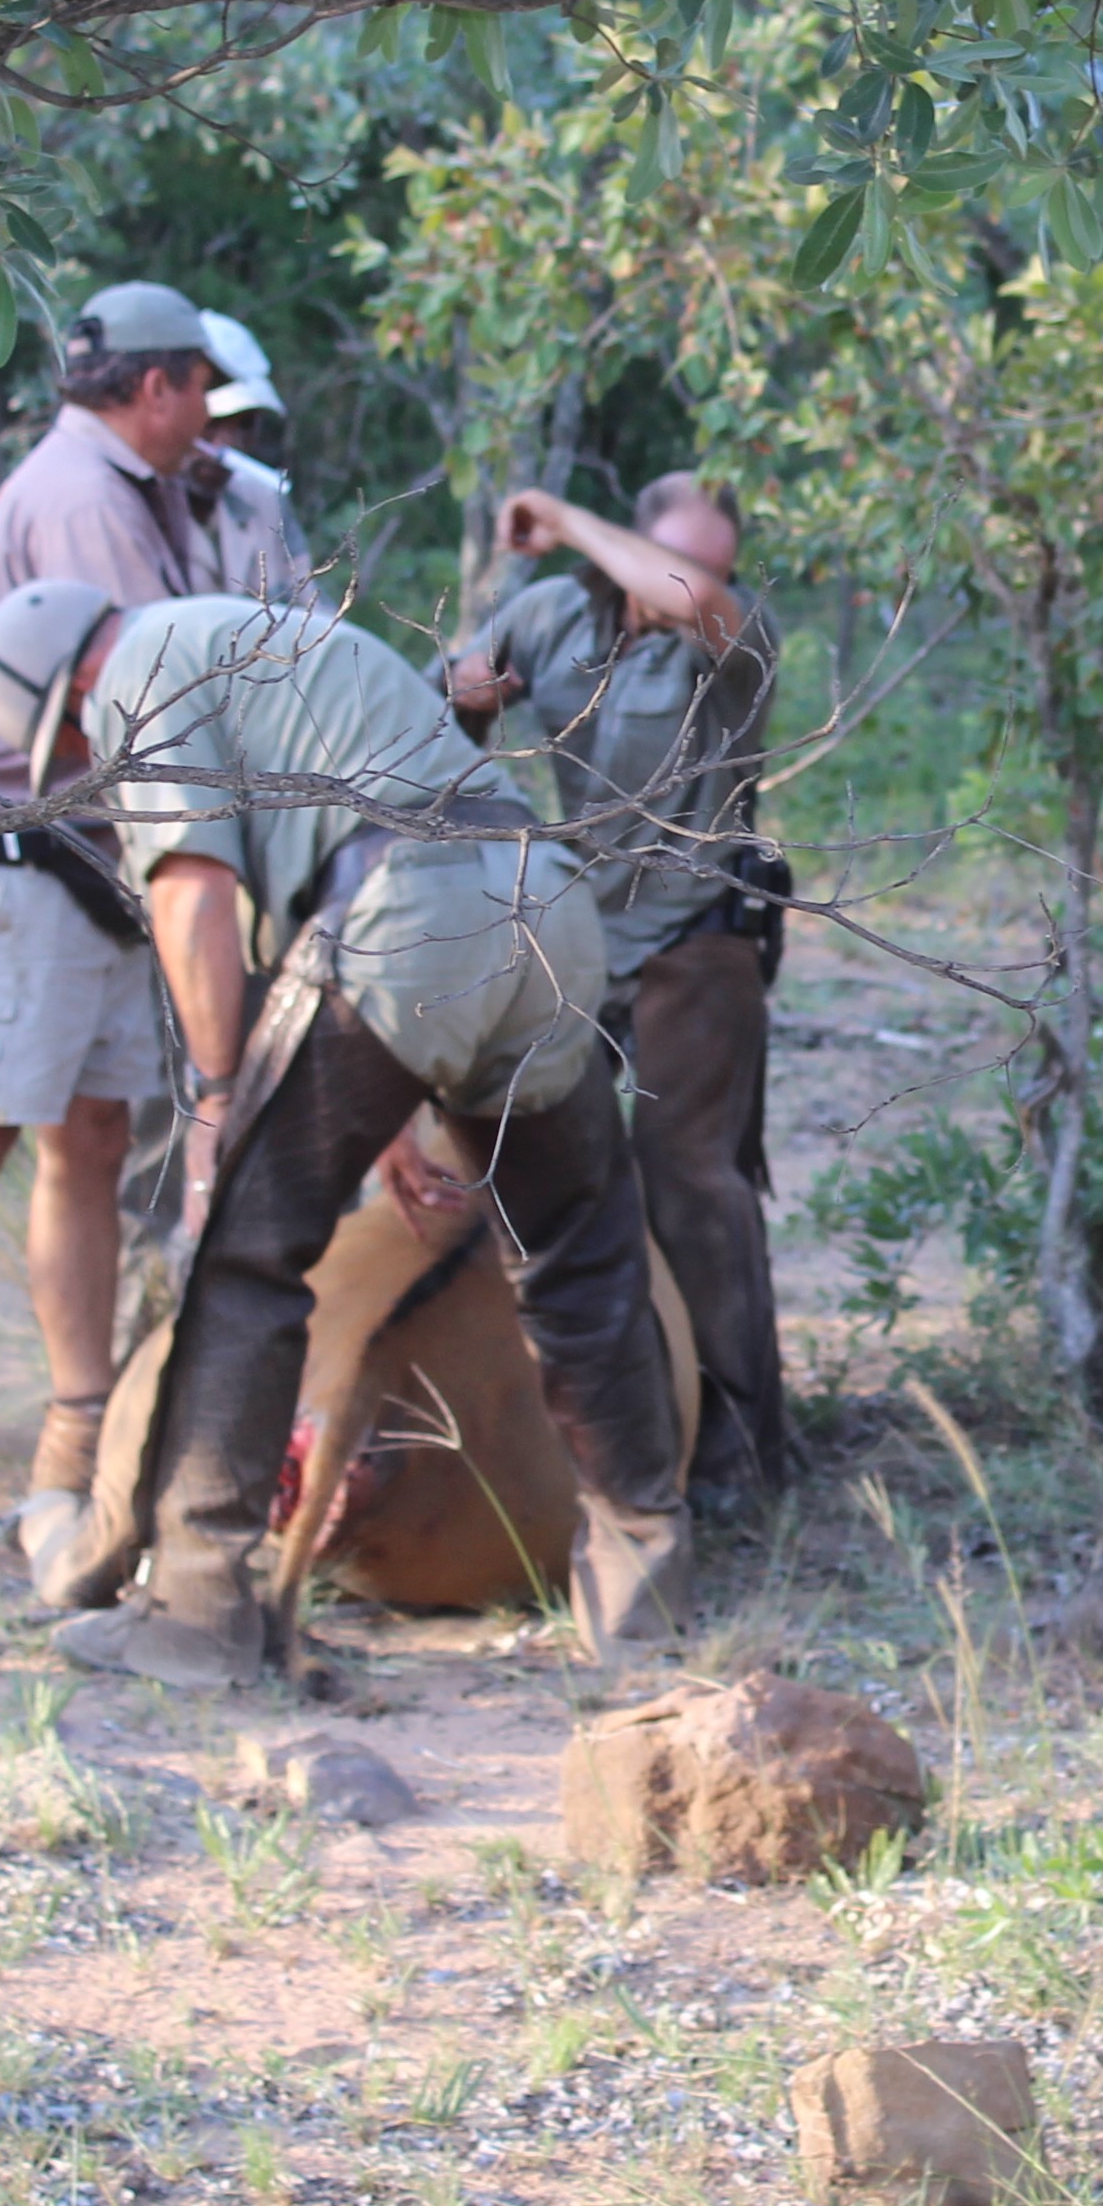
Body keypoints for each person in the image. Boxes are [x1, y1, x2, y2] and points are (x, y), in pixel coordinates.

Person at [0, 578, 691, 1686]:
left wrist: (220, 1105)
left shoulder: (136, 676)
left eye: (71, 748)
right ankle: (641, 1598)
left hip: (412, 917)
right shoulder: (270, 635)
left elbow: (195, 896)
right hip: (541, 894)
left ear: (68, 701)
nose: (86, 766)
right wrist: (384, 1107)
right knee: (580, 1258)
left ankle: (199, 1611)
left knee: (242, 1258)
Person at [0, 281, 220, 1537]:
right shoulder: (81, 498)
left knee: (94, 1139)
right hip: (4, 863)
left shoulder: (149, 485)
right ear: (159, 386)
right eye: (202, 389)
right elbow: (145, 697)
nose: (212, 414)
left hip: (85, 865)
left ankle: (74, 1438)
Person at [442, 476, 793, 1496]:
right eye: (679, 558)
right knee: (546, 1168)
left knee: (690, 1180)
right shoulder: (557, 613)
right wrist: (467, 691)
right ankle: (589, 1434)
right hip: (577, 934)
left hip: (699, 933)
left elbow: (690, 601)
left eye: (716, 566)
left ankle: (738, 1449)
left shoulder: (735, 633)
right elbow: (464, 697)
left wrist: (561, 520)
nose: (698, 583)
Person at [190, 311, 322, 608]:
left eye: (244, 425)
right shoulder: (136, 504)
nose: (228, 445)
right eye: (213, 423)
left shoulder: (264, 502)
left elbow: (313, 609)